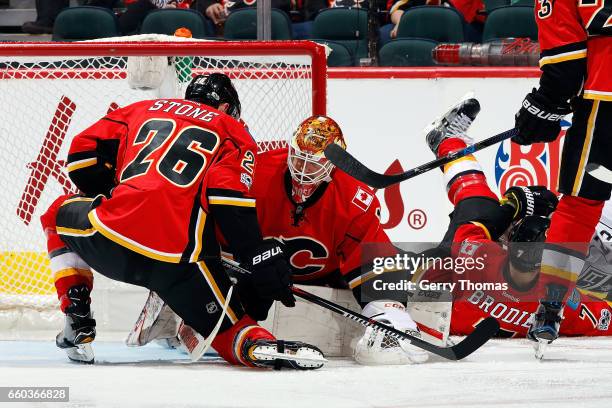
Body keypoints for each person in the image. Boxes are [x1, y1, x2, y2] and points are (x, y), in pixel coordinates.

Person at [131, 114, 473, 364]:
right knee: (220, 295)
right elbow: (211, 221)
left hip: (321, 273)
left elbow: (368, 261)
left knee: (399, 270)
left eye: (315, 165)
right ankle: (180, 316)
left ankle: (395, 320)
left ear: (335, 165)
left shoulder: (354, 198)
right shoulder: (256, 171)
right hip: (250, 269)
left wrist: (387, 309)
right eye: (299, 158)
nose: (304, 172)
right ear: (289, 148)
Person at [40, 73, 325, 370]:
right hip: (179, 263)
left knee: (55, 214)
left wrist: (112, 193)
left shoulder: (142, 109)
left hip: (112, 237)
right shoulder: (235, 132)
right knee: (230, 327)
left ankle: (77, 315)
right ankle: (254, 343)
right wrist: (256, 254)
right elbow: (227, 198)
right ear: (227, 108)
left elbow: (80, 157)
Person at [417, 98, 612, 351]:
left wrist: (512, 207)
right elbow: (602, 317)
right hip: (442, 312)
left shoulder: (482, 257)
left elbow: (472, 220)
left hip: (432, 299)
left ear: (507, 247)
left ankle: (447, 141)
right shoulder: (557, 303)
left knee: (477, 203)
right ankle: (448, 141)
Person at [511, 0, 612, 350]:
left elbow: (565, 67)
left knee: (582, 202)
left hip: (607, 98)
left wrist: (543, 107)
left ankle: (551, 306)